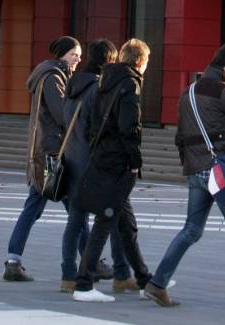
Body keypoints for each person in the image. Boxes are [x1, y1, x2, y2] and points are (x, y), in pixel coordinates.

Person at [143, 42, 225, 310]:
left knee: (191, 230)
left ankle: (157, 284)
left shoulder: (188, 91)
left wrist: (191, 167)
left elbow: (180, 135)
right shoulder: (223, 90)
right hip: (221, 171)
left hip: (196, 169)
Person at [3, 36, 109, 284]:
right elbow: (63, 114)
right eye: (74, 54)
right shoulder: (53, 78)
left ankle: (13, 261)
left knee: (45, 210)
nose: (78, 59)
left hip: (46, 153)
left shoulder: (50, 75)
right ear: (62, 54)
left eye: (80, 55)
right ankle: (91, 263)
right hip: (54, 156)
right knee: (75, 210)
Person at [73, 38, 153, 303]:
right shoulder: (130, 84)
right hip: (117, 165)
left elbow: (89, 124)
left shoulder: (103, 82)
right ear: (140, 62)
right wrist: (134, 162)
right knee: (105, 223)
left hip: (102, 158)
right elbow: (130, 128)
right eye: (147, 63)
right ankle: (83, 285)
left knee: (126, 225)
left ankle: (144, 280)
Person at [61, 39, 135, 294]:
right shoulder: (97, 88)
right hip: (92, 162)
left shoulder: (72, 85)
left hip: (70, 158)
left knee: (76, 220)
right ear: (109, 61)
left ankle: (68, 274)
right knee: (109, 217)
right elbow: (97, 126)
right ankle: (118, 273)